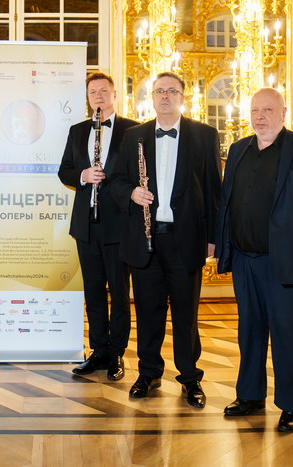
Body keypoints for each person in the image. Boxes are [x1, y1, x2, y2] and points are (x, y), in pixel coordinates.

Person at [215, 88, 293, 432]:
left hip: (288, 263)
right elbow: (227, 204)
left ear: (283, 112)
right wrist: (220, 245)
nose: (260, 116)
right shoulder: (238, 150)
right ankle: (250, 396)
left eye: (268, 110)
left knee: (288, 335)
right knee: (249, 332)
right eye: (255, 110)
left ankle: (291, 405)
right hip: (244, 260)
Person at [110, 72, 221, 408]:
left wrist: (213, 238)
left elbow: (214, 191)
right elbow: (116, 181)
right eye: (159, 91)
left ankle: (190, 378)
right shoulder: (134, 136)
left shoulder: (204, 135)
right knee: (148, 312)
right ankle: (149, 373)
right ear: (152, 98)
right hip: (145, 240)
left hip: (187, 239)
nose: (165, 96)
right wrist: (131, 193)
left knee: (186, 315)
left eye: (172, 91)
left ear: (183, 97)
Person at [58, 72, 137, 380]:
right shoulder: (77, 131)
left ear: (114, 95)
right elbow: (64, 171)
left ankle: (117, 353)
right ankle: (99, 350)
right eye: (93, 92)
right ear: (88, 98)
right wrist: (83, 176)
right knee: (93, 290)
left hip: (119, 223)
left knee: (119, 292)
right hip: (86, 225)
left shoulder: (133, 130)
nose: (99, 96)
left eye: (104, 91)